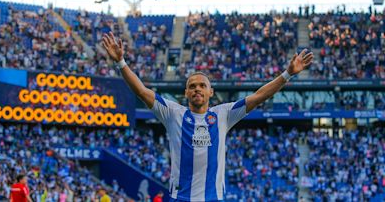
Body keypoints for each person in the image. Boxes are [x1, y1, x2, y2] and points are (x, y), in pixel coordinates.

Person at [102, 32, 314, 201]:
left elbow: (259, 96)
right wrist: (121, 63)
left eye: (202, 86)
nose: (197, 89)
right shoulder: (173, 113)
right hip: (181, 199)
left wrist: (287, 74)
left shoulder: (223, 115)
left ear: (211, 92)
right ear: (186, 93)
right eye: (192, 86)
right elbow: (141, 91)